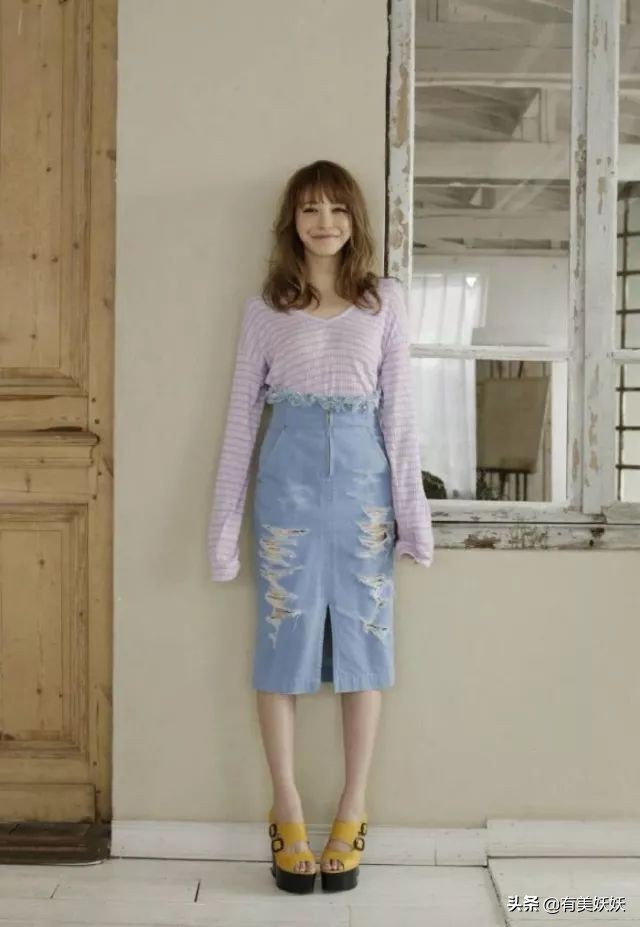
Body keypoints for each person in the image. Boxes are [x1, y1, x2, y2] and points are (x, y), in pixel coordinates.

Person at [207, 160, 434, 894]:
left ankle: (352, 808)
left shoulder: (384, 302)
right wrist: (222, 533)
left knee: (365, 645)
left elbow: (401, 416)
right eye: (310, 209)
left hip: (365, 493)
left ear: (354, 219)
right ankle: (287, 809)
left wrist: (413, 518)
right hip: (289, 490)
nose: (324, 222)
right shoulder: (264, 310)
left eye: (337, 208)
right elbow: (240, 422)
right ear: (292, 222)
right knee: (283, 641)